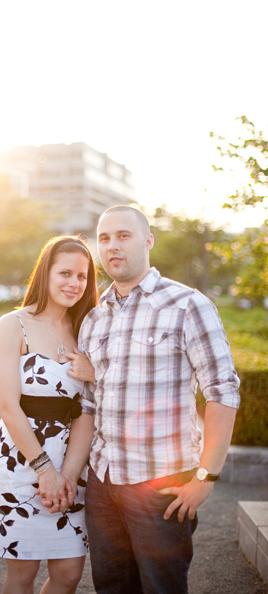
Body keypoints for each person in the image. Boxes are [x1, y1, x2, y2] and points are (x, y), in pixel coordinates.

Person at [75, 205, 240, 594]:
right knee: (112, 588)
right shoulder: (94, 319)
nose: (112, 246)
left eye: (123, 236)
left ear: (148, 241)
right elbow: (88, 404)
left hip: (160, 487)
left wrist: (207, 477)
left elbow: (222, 390)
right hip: (103, 484)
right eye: (104, 239)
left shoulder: (187, 305)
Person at [0, 235, 98, 594]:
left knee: (68, 575)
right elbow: (7, 405)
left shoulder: (87, 329)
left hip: (71, 466)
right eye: (65, 273)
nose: (74, 284)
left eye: (82, 276)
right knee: (23, 573)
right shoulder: (13, 325)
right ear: (45, 274)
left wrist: (69, 477)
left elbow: (86, 411)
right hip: (19, 463)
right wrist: (45, 470)